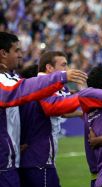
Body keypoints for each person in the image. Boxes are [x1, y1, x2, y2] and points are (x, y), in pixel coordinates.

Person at [0, 31, 86, 187]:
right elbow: (52, 107)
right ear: (3, 53)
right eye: (16, 51)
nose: (21, 55)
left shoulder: (16, 80)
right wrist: (65, 80)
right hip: (25, 161)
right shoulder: (22, 85)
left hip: (15, 160)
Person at [18, 51, 87, 187]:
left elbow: (62, 111)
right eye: (63, 65)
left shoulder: (50, 85)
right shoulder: (40, 84)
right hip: (38, 158)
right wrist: (85, 95)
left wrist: (80, 113)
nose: (67, 70)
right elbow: (52, 107)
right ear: (49, 68)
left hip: (39, 159)